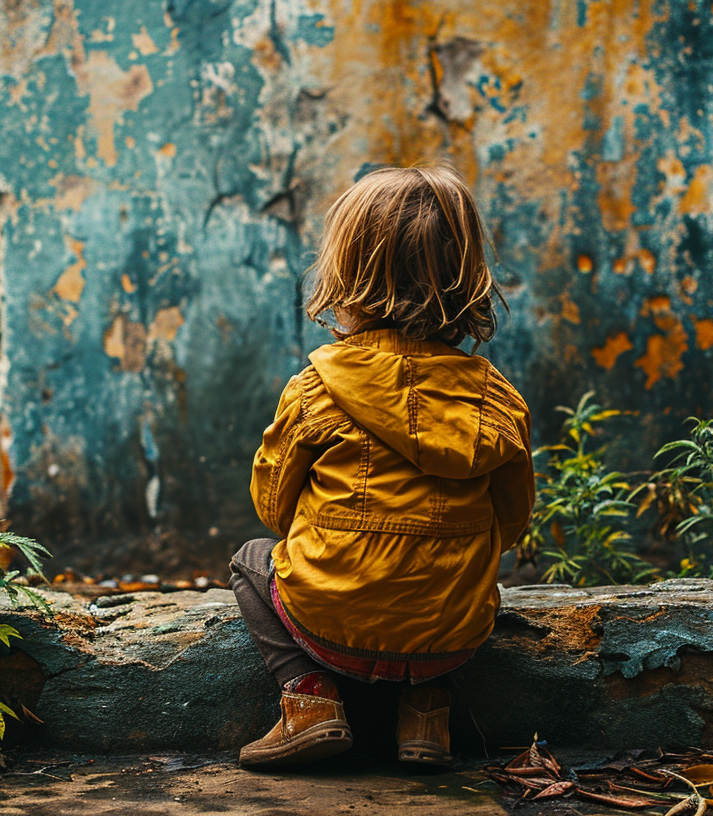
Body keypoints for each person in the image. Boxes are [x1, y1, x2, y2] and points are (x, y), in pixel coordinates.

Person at [229, 164, 535, 769]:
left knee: (249, 557)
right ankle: (426, 717)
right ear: (466, 275)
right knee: (453, 579)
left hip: (328, 627)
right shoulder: (495, 398)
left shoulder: (317, 388)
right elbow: (512, 522)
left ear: (346, 271)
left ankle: (308, 701)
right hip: (451, 640)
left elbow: (273, 508)